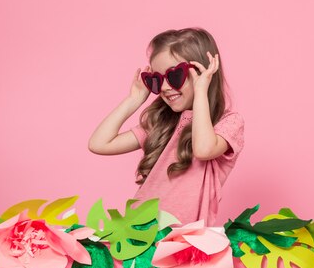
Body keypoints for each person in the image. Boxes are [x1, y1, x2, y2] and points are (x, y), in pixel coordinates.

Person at [88, 28, 245, 226]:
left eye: (174, 76)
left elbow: (203, 149)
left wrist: (200, 91)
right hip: (139, 232)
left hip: (184, 239)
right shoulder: (162, 122)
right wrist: (133, 99)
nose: (163, 88)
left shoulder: (228, 123)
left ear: (203, 72)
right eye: (156, 79)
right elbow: (99, 144)